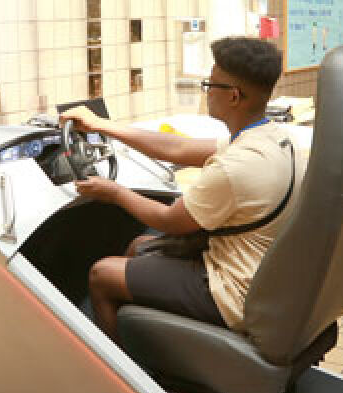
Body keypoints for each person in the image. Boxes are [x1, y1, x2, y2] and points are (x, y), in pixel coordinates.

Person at [60, 36, 303, 340]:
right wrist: (101, 125)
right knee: (139, 246)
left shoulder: (235, 167)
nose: (207, 91)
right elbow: (175, 148)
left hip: (233, 291)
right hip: (260, 275)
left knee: (101, 274)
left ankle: (119, 376)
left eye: (210, 84)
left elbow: (167, 221)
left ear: (234, 96)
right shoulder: (271, 138)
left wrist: (113, 192)